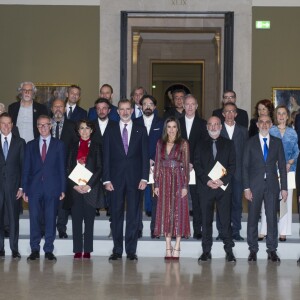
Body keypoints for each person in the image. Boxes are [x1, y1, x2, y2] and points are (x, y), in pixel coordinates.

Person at [103, 99, 149, 261]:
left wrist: (145, 177)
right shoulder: (110, 130)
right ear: (117, 111)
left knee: (133, 215)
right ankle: (117, 249)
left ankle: (131, 250)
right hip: (114, 180)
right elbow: (106, 157)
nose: (124, 112)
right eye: (121, 109)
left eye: (127, 109)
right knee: (115, 215)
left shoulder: (141, 130)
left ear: (132, 110)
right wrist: (106, 179)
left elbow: (145, 156)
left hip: (136, 179)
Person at [243, 115, 287, 262]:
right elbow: (245, 167)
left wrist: (284, 188)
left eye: (267, 122)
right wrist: (246, 188)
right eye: (261, 122)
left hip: (272, 186)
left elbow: (282, 166)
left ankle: (272, 250)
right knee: (253, 218)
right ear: (257, 124)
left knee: (272, 219)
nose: (264, 124)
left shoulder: (277, 143)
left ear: (271, 124)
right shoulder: (250, 143)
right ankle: (253, 250)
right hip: (254, 186)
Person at [23, 115, 66, 261]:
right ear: (37, 127)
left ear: (51, 126)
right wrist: (24, 189)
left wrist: (63, 189)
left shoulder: (59, 145)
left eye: (46, 124)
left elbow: (62, 169)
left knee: (50, 219)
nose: (43, 127)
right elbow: (26, 169)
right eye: (40, 125)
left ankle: (48, 249)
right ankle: (34, 249)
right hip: (34, 188)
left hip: (52, 188)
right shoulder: (30, 145)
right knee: (34, 219)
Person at [194, 116, 236, 262]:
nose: (213, 127)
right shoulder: (199, 144)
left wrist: (221, 181)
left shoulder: (229, 144)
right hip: (206, 188)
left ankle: (229, 251)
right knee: (205, 222)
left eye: (216, 124)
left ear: (221, 126)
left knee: (225, 221)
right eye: (210, 124)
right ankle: (206, 251)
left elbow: (232, 166)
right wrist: (207, 181)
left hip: (223, 189)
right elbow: (197, 165)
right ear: (207, 127)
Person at [259, 105, 298, 242]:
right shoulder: (271, 130)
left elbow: (297, 151)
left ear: (287, 116)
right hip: (271, 170)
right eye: (279, 114)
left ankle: (283, 232)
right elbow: (265, 147)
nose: (281, 116)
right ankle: (263, 230)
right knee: (267, 201)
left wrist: (289, 163)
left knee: (285, 202)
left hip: (289, 171)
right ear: (276, 116)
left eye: (284, 114)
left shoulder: (293, 133)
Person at [153, 116, 190, 260]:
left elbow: (186, 165)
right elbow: (157, 163)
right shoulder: (159, 143)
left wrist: (185, 185)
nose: (172, 130)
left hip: (179, 179)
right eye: (169, 127)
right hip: (163, 179)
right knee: (165, 211)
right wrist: (156, 183)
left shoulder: (183, 143)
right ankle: (168, 245)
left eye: (174, 127)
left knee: (179, 211)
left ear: (178, 129)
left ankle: (178, 245)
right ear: (165, 128)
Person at [65, 120, 102, 259]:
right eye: (82, 128)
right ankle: (77, 249)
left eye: (87, 128)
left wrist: (89, 185)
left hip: (90, 190)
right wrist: (74, 185)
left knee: (89, 221)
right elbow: (67, 167)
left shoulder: (97, 146)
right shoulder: (72, 146)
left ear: (92, 130)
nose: (85, 131)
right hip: (75, 189)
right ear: (78, 131)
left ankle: (87, 250)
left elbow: (100, 168)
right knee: (76, 220)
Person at [134, 95, 164, 239]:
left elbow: (164, 143)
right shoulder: (134, 122)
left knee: (155, 198)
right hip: (138, 165)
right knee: (137, 198)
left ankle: (155, 228)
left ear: (155, 107)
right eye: (144, 104)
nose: (147, 106)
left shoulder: (162, 123)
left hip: (156, 165)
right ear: (140, 106)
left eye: (150, 104)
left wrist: (153, 159)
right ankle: (138, 228)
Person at [217, 102, 248, 241]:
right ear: (223, 114)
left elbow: (246, 153)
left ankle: (235, 231)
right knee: (222, 202)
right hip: (221, 172)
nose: (229, 114)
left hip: (238, 173)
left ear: (236, 114)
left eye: (232, 112)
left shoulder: (243, 131)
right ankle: (222, 231)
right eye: (227, 112)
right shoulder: (217, 129)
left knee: (236, 203)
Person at [179, 94, 208, 240]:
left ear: (197, 106)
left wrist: (192, 163)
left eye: (193, 104)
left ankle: (197, 229)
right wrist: (183, 161)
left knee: (197, 200)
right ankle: (181, 229)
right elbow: (172, 144)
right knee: (179, 199)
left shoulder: (203, 124)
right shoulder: (176, 122)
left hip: (196, 168)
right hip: (178, 167)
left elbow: (203, 147)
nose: (190, 107)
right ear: (183, 106)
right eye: (187, 104)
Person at [51, 98, 78, 239]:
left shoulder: (72, 126)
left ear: (65, 109)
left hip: (66, 170)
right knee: (48, 200)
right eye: (55, 106)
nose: (58, 109)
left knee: (63, 200)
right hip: (48, 171)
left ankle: (61, 228)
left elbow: (76, 147)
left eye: (61, 107)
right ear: (51, 109)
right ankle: (46, 228)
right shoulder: (44, 125)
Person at [0, 113, 25, 259]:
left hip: (14, 187)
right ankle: (0, 249)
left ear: (12, 125)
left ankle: (14, 249)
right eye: (3, 123)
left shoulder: (20, 142)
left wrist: (22, 187)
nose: (6, 126)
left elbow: (23, 167)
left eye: (9, 123)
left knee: (13, 218)